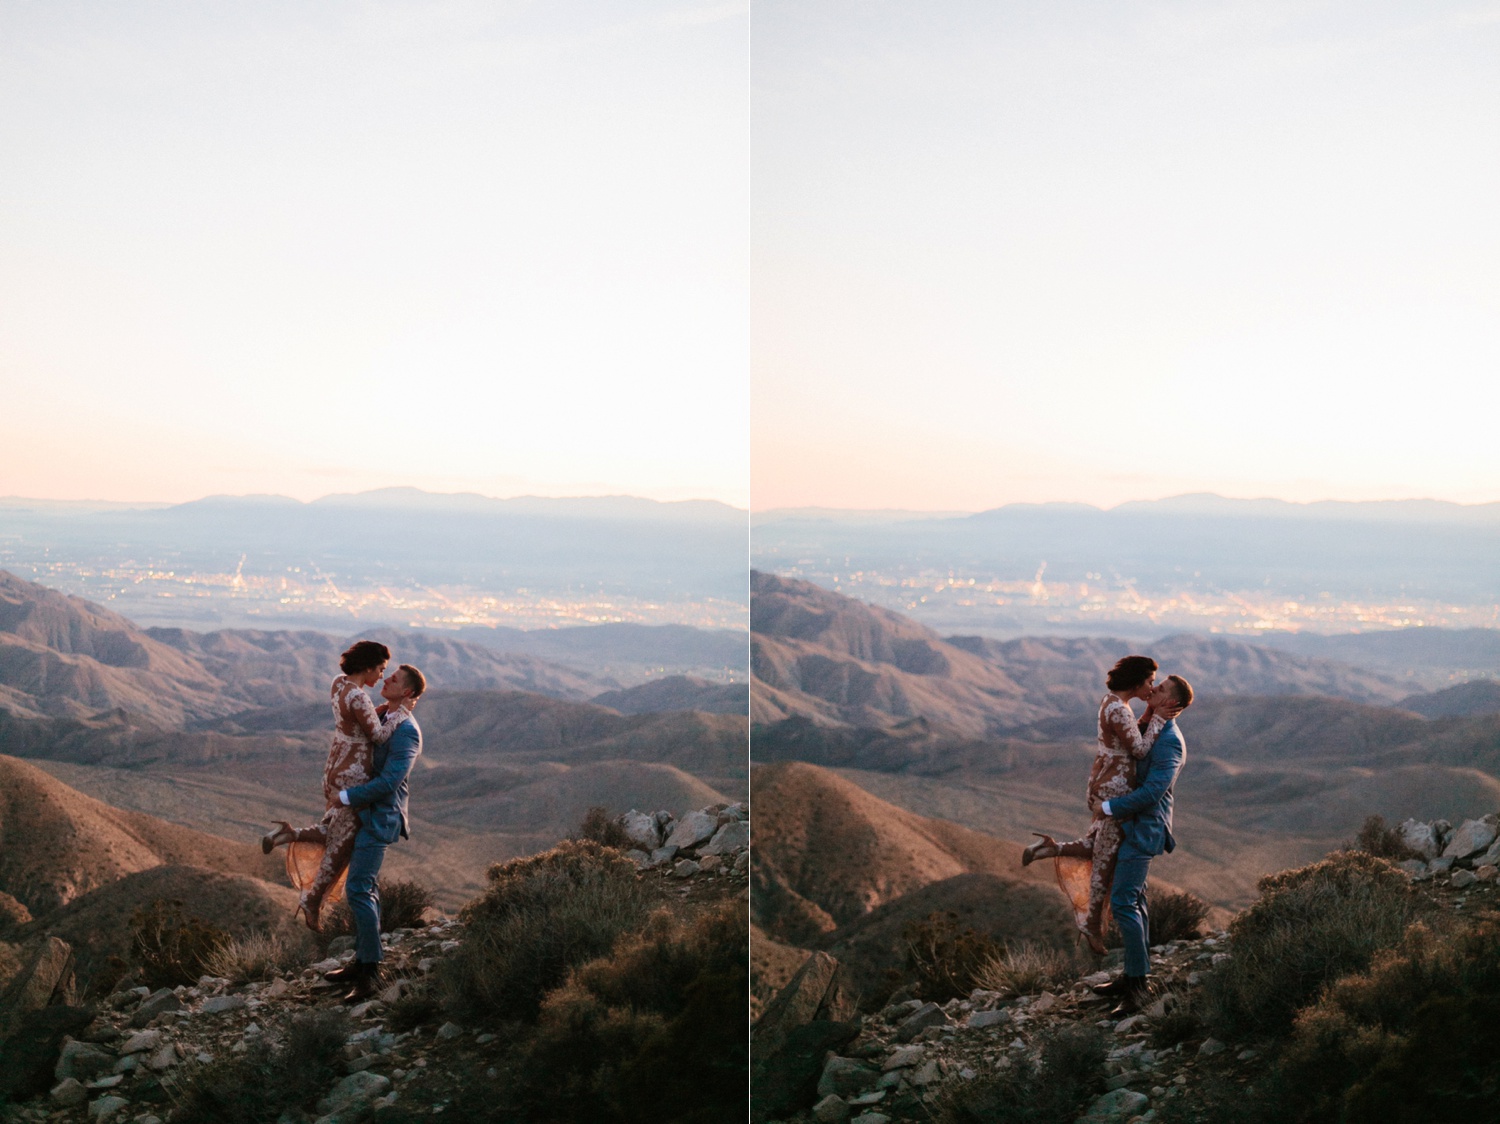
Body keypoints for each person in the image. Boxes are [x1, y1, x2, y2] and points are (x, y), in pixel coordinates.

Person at [1020, 655, 1180, 954]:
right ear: (1135, 682)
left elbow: (1129, 738)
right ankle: (1092, 926)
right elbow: (1141, 750)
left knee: (1099, 845)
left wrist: (1148, 716)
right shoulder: (1120, 711)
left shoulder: (1113, 703)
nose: (1152, 687)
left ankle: (1053, 849)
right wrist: (1159, 718)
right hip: (1116, 788)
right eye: (1149, 682)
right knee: (1104, 861)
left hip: (1105, 782)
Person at [260, 640, 411, 932]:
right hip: (353, 773)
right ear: (368, 666)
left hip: (334, 766)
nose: (381, 675)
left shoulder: (338, 684)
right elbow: (379, 737)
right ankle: (313, 899)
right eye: (380, 669)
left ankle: (290, 834)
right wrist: (402, 712)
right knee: (343, 843)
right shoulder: (359, 698)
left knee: (333, 829)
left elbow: (358, 720)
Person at [323, 662, 426, 1002]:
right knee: (366, 888)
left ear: (408, 692)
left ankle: (371, 974)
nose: (386, 679)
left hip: (380, 818)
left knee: (357, 889)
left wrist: (345, 797)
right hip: (363, 815)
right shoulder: (383, 717)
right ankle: (364, 960)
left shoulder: (407, 731)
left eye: (394, 679)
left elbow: (389, 782)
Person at [1093, 673, 1194, 1015]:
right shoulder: (1153, 727)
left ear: (1172, 704)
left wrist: (1107, 808)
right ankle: (1135, 975)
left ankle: (1137, 989)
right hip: (1132, 826)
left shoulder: (1170, 742)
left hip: (1143, 829)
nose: (1153, 689)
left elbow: (1153, 792)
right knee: (1136, 900)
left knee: (1123, 902)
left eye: (1161, 689)